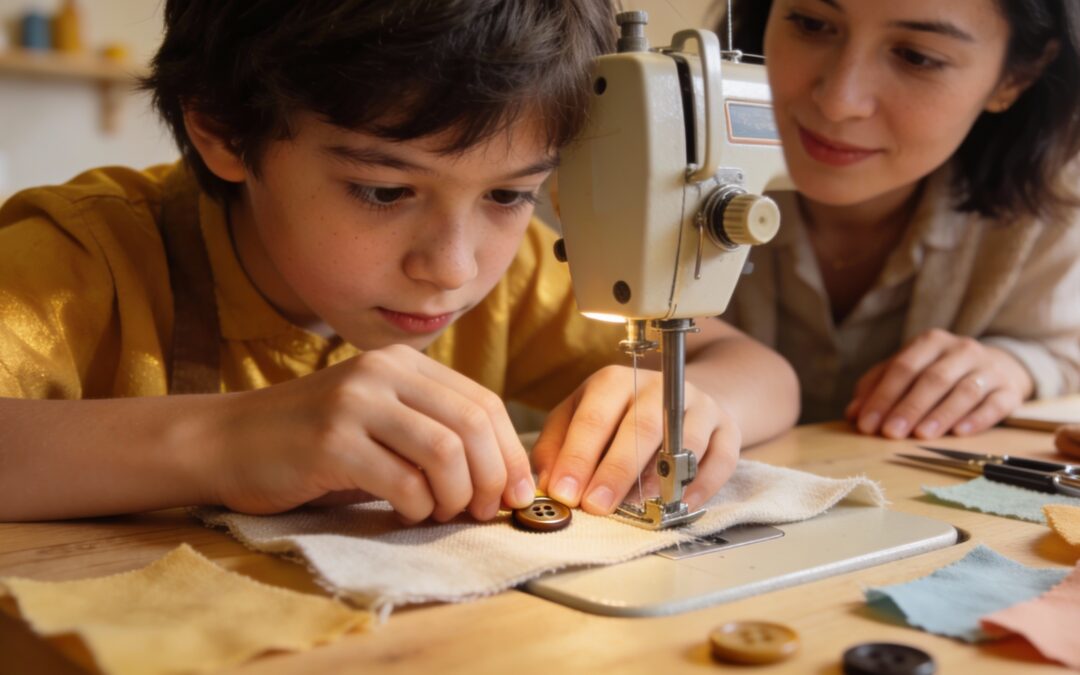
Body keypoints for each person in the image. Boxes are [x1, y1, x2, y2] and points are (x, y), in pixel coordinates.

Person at [0, 1, 800, 523]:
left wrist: (686, 399)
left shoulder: (513, 274)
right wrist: (227, 442)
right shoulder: (80, 259)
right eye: (384, 192)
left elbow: (757, 367)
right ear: (220, 128)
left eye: (513, 194)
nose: (453, 267)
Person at [714, 0, 1080, 439]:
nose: (837, 102)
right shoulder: (670, 152)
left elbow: (1064, 350)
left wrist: (1015, 365)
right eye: (811, 24)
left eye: (916, 57)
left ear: (1015, 77)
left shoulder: (1052, 193)